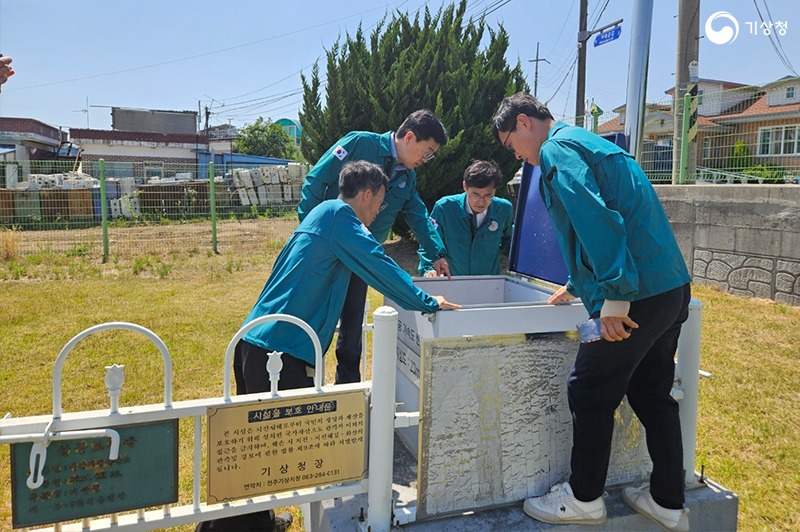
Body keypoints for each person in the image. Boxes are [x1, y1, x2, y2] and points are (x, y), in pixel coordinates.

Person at [197, 161, 459, 532]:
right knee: (271, 448)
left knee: (254, 450)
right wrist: (428, 300)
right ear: (367, 194)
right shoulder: (341, 217)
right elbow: (377, 263)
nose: (378, 212)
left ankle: (258, 521)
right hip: (282, 350)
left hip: (257, 340)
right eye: (380, 203)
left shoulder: (321, 212)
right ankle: (226, 527)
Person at [492, 93, 691, 531]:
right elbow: (616, 219)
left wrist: (615, 301)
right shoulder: (587, 141)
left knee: (589, 390)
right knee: (651, 393)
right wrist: (577, 284)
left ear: (524, 123)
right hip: (668, 288)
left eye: (512, 145)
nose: (519, 157)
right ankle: (668, 503)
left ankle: (583, 499)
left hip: (633, 294)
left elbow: (598, 220)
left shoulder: (556, 150)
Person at [298, 109, 452, 384]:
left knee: (353, 322)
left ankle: (347, 385)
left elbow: (417, 213)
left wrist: (437, 252)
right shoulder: (360, 143)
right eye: (426, 152)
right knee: (313, 313)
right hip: (327, 252)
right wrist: (309, 233)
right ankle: (302, 378)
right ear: (409, 137)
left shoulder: (408, 177)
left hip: (363, 259)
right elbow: (316, 180)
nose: (426, 160)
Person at [417, 159, 513, 277]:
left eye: (488, 195)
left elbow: (510, 241)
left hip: (489, 284)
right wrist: (429, 269)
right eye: (476, 194)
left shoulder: (504, 209)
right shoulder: (444, 208)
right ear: (465, 186)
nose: (481, 201)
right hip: (452, 282)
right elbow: (429, 241)